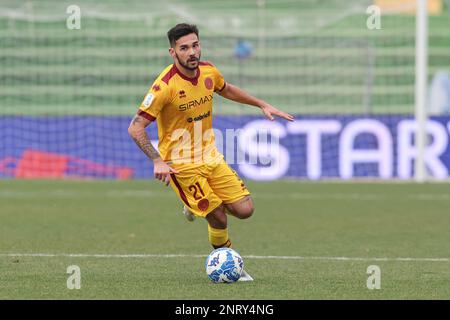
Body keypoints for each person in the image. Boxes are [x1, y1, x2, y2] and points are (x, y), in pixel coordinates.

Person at [128, 23, 294, 281]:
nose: (192, 52)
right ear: (173, 52)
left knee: (245, 210)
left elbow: (225, 88)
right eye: (184, 48)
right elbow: (135, 127)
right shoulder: (164, 87)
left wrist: (261, 104)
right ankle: (229, 265)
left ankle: (193, 206)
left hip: (210, 155)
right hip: (180, 164)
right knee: (217, 216)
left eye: (195, 45)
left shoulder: (209, 71)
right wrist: (157, 160)